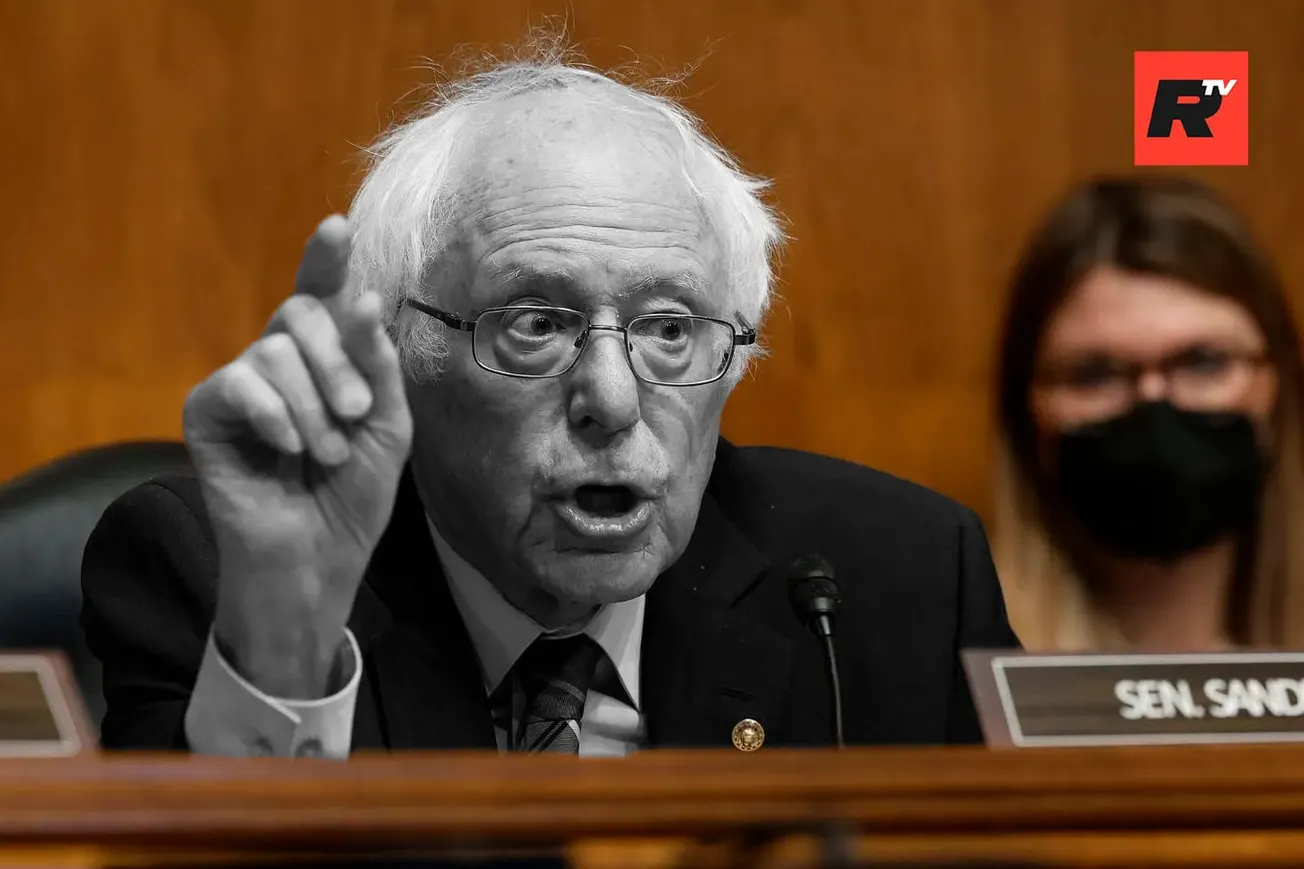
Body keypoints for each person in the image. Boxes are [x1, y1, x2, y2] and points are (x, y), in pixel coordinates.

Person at [81, 48, 1017, 758]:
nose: (611, 399)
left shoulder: (901, 581)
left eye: (668, 328)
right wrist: (285, 638)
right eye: (535, 323)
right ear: (402, 353)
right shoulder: (220, 571)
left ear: (734, 356)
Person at [992, 174, 1304, 652]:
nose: (1155, 405)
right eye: (1095, 374)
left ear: (1279, 383)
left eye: (1204, 362)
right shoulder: (947, 678)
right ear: (1026, 407)